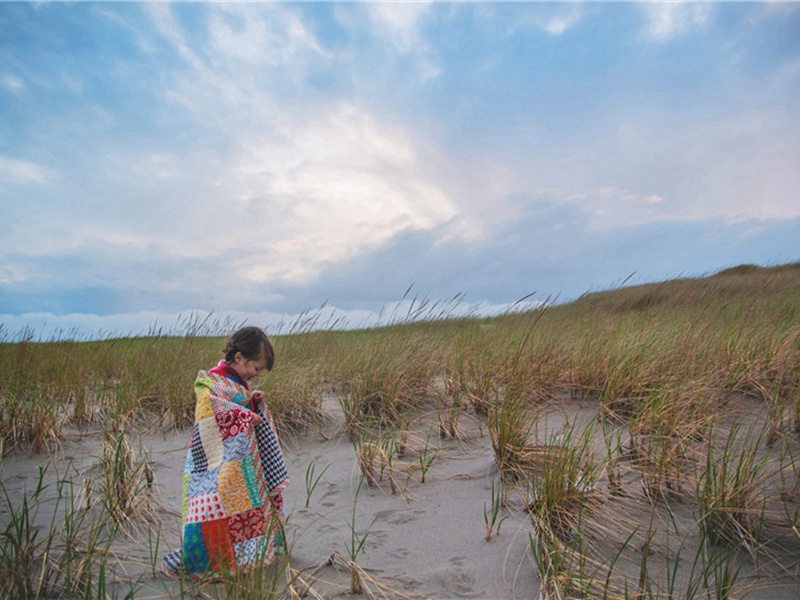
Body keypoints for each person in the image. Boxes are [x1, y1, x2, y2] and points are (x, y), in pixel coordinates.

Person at [162, 326, 289, 578]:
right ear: (239, 358)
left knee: (246, 500)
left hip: (240, 456)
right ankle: (216, 558)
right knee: (214, 504)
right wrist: (241, 414)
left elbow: (233, 402)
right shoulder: (211, 381)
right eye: (256, 367)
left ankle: (252, 550)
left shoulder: (235, 381)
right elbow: (211, 408)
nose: (256, 374)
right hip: (212, 460)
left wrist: (251, 400)